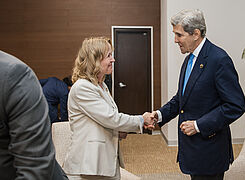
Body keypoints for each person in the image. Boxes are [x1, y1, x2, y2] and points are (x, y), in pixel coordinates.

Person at [151, 9, 245, 180]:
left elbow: (236, 105)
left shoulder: (219, 59)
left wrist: (198, 125)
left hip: (210, 150)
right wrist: (158, 115)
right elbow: (182, 99)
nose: (175, 40)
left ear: (195, 34)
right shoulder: (189, 59)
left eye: (179, 35)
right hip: (193, 150)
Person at [63, 37, 155, 180]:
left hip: (102, 162)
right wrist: (141, 120)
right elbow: (111, 118)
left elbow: (100, 121)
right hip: (88, 165)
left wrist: (119, 131)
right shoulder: (82, 87)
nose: (113, 60)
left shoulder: (102, 85)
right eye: (108, 56)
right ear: (94, 60)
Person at [0, 50, 68, 180]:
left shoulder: (14, 74)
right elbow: (64, 108)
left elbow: (35, 168)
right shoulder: (64, 90)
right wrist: (63, 120)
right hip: (42, 103)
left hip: (38, 100)